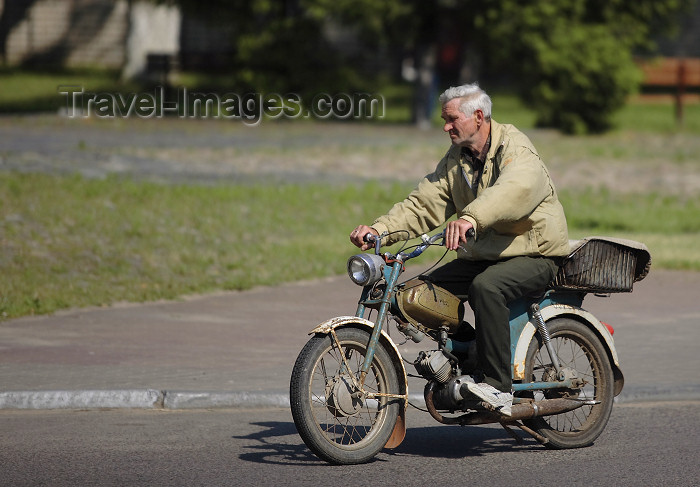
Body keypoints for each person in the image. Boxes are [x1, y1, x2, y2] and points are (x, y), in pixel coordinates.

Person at [349, 83, 570, 416]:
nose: (445, 126)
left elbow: (515, 189)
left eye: (451, 119)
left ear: (478, 117)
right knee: (415, 296)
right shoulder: (458, 159)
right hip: (486, 256)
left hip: (535, 253)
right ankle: (472, 355)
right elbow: (424, 203)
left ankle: (498, 386)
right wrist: (379, 231)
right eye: (444, 119)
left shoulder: (515, 147)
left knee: (487, 287)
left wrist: (470, 218)